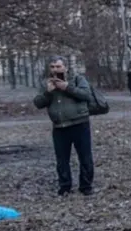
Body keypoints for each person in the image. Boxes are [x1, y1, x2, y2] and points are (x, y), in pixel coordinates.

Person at [33, 55, 95, 196]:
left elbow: (86, 95)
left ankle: (86, 186)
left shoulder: (77, 79)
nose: (55, 70)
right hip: (59, 127)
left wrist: (67, 87)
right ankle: (65, 186)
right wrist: (48, 93)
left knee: (85, 157)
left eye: (59, 66)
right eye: (52, 67)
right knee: (62, 159)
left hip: (80, 123)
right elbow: (37, 103)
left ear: (65, 67)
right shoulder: (45, 83)